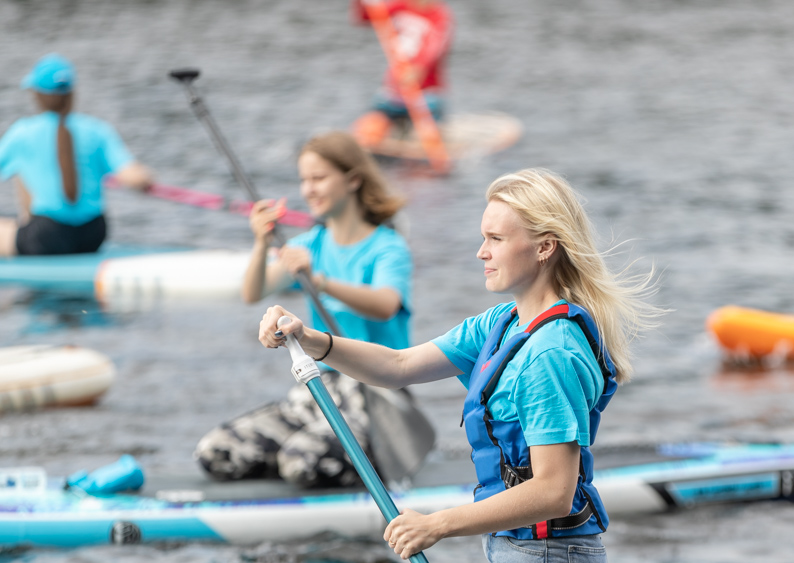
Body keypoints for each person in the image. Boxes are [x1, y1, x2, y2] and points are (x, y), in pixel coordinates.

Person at [257, 168, 794, 563]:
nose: (481, 251)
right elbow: (400, 366)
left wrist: (438, 523)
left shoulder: (550, 355)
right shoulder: (502, 324)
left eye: (495, 238)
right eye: (482, 236)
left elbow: (554, 489)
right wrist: (312, 338)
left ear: (544, 246)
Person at [194, 131, 412, 488]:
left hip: (374, 394)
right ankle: (306, 460)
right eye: (304, 179)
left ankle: (335, 459)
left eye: (319, 178)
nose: (308, 189)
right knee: (217, 452)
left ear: (353, 179)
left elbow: (385, 306)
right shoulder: (309, 244)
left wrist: (320, 280)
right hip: (320, 388)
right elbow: (253, 292)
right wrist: (262, 243)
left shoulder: (387, 247)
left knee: (301, 462)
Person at [0, 53, 153, 257]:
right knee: (21, 168)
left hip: (47, 237)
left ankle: (27, 227)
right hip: (93, 235)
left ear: (36, 95)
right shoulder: (98, 130)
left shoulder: (22, 133)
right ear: (72, 93)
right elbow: (134, 176)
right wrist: (143, 181)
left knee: (19, 168)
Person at [351, 0, 454, 124]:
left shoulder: (440, 15)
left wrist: (419, 68)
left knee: (427, 119)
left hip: (426, 92)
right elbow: (367, 17)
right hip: (395, 90)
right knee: (372, 122)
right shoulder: (401, 5)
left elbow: (436, 47)